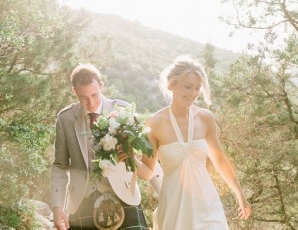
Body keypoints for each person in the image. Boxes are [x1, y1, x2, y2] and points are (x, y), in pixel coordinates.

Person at [142, 55, 251, 230]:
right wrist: (128, 159)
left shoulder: (205, 118)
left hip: (207, 205)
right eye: (188, 86)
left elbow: (220, 160)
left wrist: (240, 193)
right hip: (173, 208)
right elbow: (148, 171)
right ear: (172, 84)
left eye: (197, 88)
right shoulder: (154, 123)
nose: (193, 93)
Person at [51, 63, 154, 230]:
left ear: (102, 86)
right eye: (83, 97)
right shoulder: (65, 119)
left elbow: (141, 157)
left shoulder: (123, 111)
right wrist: (57, 206)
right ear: (74, 91)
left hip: (124, 196)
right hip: (82, 201)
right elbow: (60, 166)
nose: (90, 102)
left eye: (94, 94)